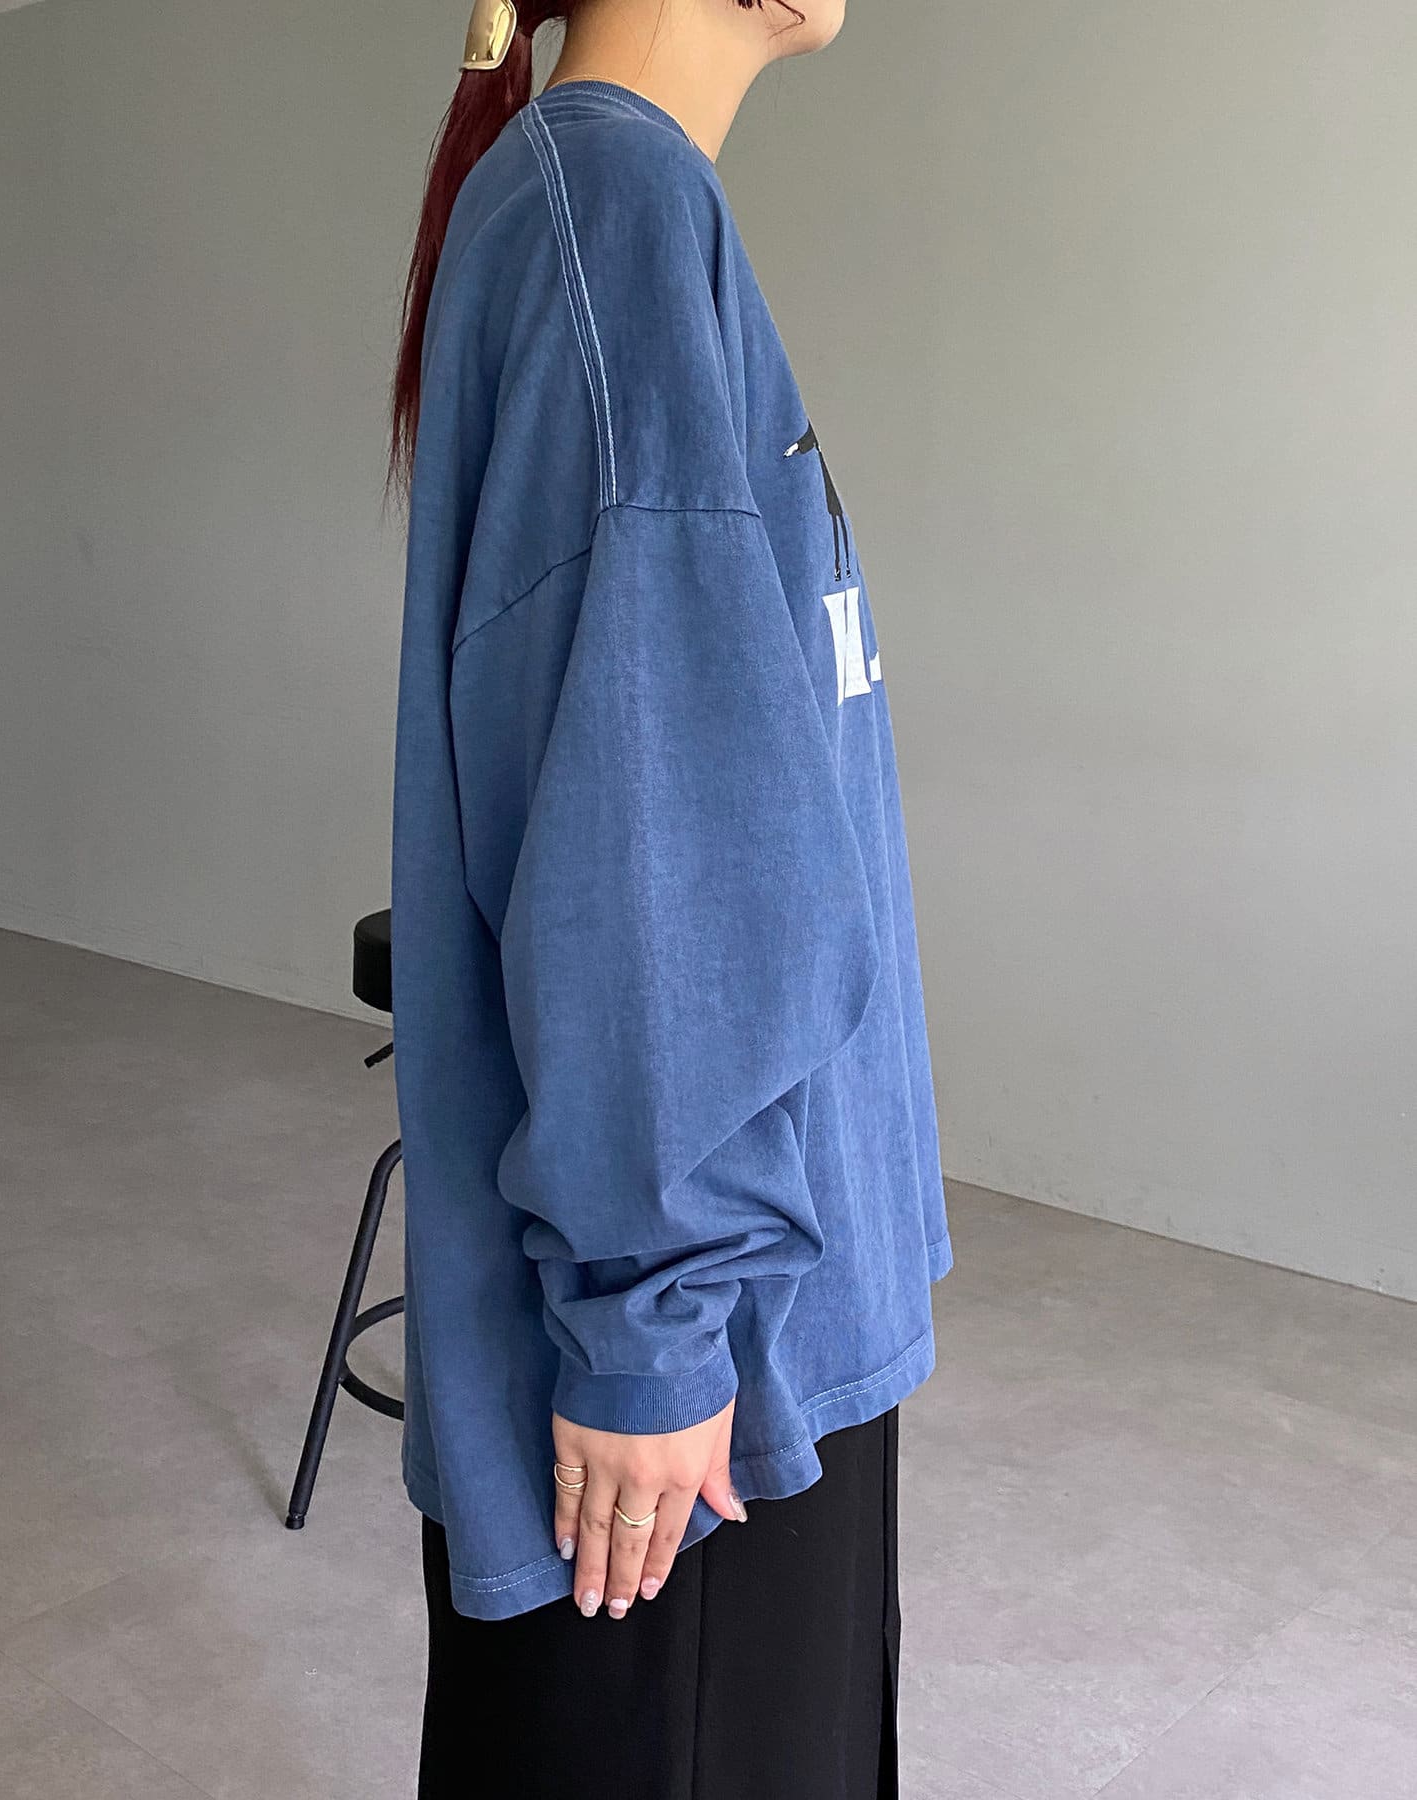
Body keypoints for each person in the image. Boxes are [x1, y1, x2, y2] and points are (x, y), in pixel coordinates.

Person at [388, 2, 952, 1793]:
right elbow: (645, 831)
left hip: (763, 1302)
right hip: (704, 1371)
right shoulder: (608, 215)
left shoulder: (608, 202)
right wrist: (650, 1332)